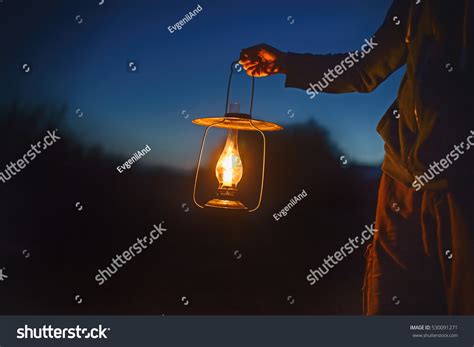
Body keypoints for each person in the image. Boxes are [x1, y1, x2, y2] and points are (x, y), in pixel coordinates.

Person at [240, 0, 473, 315]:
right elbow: (365, 69)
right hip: (400, 177)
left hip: (462, 184)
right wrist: (285, 63)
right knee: (389, 300)